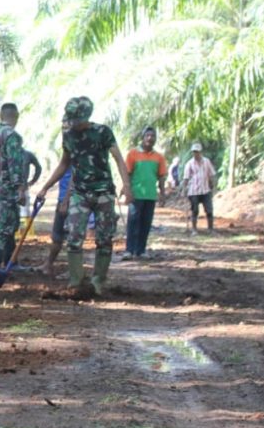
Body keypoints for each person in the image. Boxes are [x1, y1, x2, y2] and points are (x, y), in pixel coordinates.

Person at [36, 97, 133, 296]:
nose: (74, 124)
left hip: (104, 192)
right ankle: (76, 283)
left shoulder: (103, 132)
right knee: (73, 237)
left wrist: (127, 186)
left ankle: (98, 282)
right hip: (80, 193)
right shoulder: (69, 136)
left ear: (86, 117)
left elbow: (118, 158)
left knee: (105, 238)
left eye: (77, 120)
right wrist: (46, 187)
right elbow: (65, 164)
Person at [0, 103, 28, 271]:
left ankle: (11, 262)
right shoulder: (12, 136)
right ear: (17, 116)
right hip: (7, 187)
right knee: (4, 224)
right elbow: (15, 164)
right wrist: (20, 188)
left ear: (0, 115)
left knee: (10, 223)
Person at [122, 126, 168, 259]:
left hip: (150, 195)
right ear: (143, 137)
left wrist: (163, 193)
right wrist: (126, 190)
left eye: (152, 136)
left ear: (155, 139)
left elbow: (161, 177)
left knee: (146, 223)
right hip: (136, 194)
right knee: (133, 222)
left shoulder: (159, 157)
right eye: (147, 135)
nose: (150, 138)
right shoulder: (133, 154)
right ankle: (129, 250)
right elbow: (127, 173)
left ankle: (141, 251)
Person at [40, 164, 74, 277]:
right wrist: (45, 188)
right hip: (63, 200)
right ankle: (48, 264)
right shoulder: (68, 156)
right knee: (57, 237)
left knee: (73, 238)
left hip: (74, 201)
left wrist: (66, 200)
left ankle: (73, 271)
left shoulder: (79, 153)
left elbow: (75, 178)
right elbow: (60, 170)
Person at [184, 143, 217, 233]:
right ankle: (194, 229)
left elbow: (211, 174)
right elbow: (186, 178)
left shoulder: (206, 161)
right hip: (193, 191)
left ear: (200, 152)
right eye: (194, 152)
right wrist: (184, 189)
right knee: (195, 211)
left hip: (205, 190)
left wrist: (212, 184)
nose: (196, 154)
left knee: (209, 210)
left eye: (197, 152)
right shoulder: (189, 164)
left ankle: (210, 229)